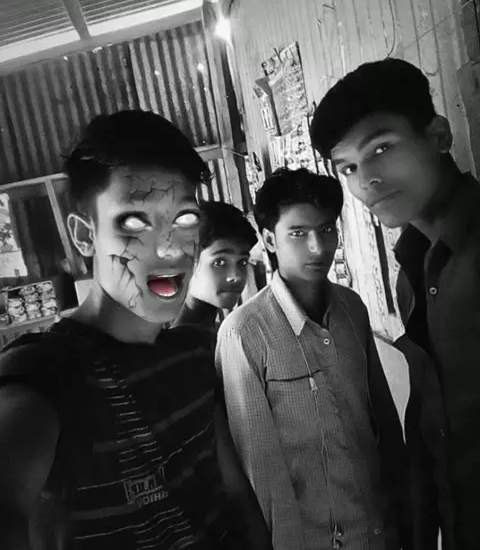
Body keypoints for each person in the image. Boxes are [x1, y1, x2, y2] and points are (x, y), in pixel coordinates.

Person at [0, 110, 271, 550]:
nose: (168, 249)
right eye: (133, 222)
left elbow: (237, 496)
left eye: (184, 219)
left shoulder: (194, 354)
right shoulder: (45, 374)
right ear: (84, 236)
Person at [310, 57, 477, 549]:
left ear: (439, 136)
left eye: (381, 148)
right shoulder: (413, 271)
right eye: (348, 168)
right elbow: (432, 423)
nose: (367, 181)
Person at [216, 167, 409, 550]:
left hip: (377, 531)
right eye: (298, 233)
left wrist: (403, 512)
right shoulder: (244, 333)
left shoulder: (352, 309)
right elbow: (262, 472)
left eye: (326, 229)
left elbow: (383, 421)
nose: (318, 247)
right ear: (269, 239)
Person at [175, 201, 257, 335]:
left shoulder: (215, 333)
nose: (236, 276)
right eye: (219, 262)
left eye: (242, 262)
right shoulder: (183, 344)